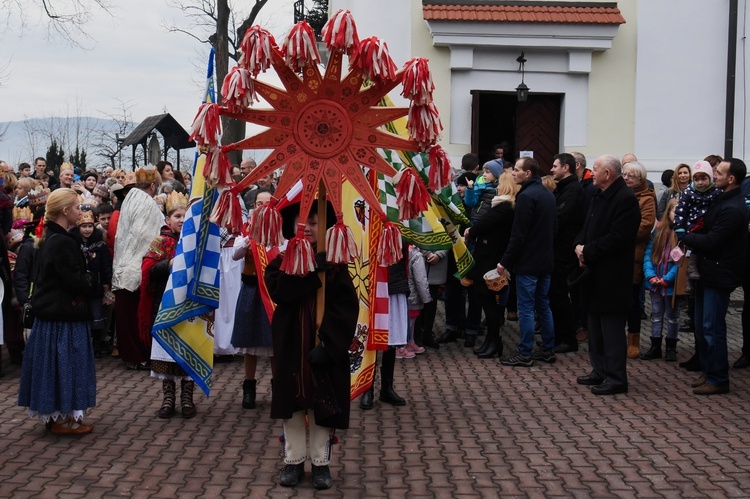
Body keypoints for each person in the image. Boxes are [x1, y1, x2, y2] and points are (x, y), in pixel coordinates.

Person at [265, 202, 357, 490]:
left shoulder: (335, 266)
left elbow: (346, 308)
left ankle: (320, 463)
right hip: (291, 345)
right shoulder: (282, 261)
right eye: (303, 222)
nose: (308, 228)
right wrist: (308, 274)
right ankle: (293, 461)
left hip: (322, 349)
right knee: (292, 405)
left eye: (316, 223)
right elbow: (279, 291)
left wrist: (329, 344)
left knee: (322, 405)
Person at [17, 188, 97, 434]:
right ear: (64, 211)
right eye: (76, 207)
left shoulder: (51, 236)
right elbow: (72, 281)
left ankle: (57, 416)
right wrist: (91, 278)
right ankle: (61, 419)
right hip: (63, 316)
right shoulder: (62, 241)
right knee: (65, 366)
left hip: (52, 314)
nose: (79, 212)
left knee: (53, 367)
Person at [574, 155, 640, 395]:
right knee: (595, 327)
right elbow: (587, 226)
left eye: (597, 169)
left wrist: (587, 251)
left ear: (608, 174)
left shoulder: (625, 199)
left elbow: (618, 238)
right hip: (593, 272)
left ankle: (615, 377)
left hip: (612, 275)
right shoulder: (598, 195)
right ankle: (599, 370)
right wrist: (579, 245)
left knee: (611, 330)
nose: (592, 172)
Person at [682, 159, 748, 395]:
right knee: (701, 326)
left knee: (712, 328)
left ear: (731, 179)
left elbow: (712, 241)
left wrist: (684, 237)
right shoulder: (721, 199)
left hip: (719, 274)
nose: (715, 175)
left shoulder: (732, 208)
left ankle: (719, 378)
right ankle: (709, 371)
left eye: (719, 173)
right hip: (708, 272)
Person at [141, 191, 196, 417]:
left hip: (190, 306)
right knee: (167, 352)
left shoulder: (195, 242)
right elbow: (148, 271)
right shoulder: (160, 241)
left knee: (188, 351)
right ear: (167, 220)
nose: (182, 220)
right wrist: (169, 263)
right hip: (164, 305)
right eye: (177, 216)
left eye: (185, 216)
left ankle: (187, 399)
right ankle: (168, 399)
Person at [498, 157, 556, 367]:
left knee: (526, 306)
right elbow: (553, 228)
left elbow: (519, 234)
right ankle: (548, 349)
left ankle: (525, 352)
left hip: (528, 261)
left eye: (517, 170)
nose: (513, 173)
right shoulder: (547, 194)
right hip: (545, 259)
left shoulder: (526, 196)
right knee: (543, 305)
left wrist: (505, 261)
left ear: (528, 173)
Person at [111, 166, 164, 370]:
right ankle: (139, 356)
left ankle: (131, 356)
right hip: (137, 268)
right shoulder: (147, 203)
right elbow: (145, 237)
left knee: (126, 317)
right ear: (152, 186)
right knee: (136, 316)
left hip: (123, 266)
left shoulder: (130, 198)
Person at [464, 172, 517, 358]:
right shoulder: (504, 206)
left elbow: (482, 225)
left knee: (488, 300)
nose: (497, 188)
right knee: (486, 300)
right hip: (490, 255)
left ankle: (494, 341)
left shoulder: (504, 207)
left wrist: (471, 230)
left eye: (500, 184)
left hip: (490, 258)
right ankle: (491, 341)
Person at [231, 189, 275, 409]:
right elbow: (235, 253)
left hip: (272, 293)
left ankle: (279, 388)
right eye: (259, 203)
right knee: (249, 342)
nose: (263, 207)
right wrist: (249, 239)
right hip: (250, 289)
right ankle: (249, 388)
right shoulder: (246, 231)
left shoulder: (279, 232)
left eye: (267, 203)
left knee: (274, 343)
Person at [548, 153, 584, 354]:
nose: (552, 169)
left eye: (555, 166)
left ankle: (567, 339)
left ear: (566, 168)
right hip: (558, 249)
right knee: (556, 294)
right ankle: (560, 336)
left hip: (563, 251)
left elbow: (561, 217)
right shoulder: (564, 188)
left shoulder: (572, 190)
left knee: (561, 295)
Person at [622, 161, 656, 359]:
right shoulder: (621, 195)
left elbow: (645, 226)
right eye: (625, 174)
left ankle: (633, 340)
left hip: (634, 254)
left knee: (633, 300)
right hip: (618, 253)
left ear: (640, 179)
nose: (626, 178)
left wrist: (621, 236)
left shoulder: (647, 199)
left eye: (631, 176)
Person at [74, 209, 112, 359]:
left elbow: (106, 265)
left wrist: (106, 282)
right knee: (82, 313)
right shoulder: (74, 243)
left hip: (95, 286)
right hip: (80, 286)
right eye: (84, 226)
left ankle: (97, 343)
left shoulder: (100, 245)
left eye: (90, 226)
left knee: (97, 313)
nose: (87, 229)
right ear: (78, 228)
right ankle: (82, 343)